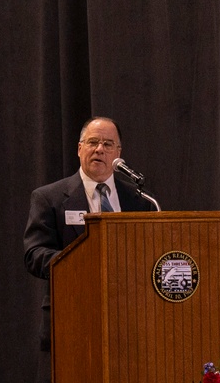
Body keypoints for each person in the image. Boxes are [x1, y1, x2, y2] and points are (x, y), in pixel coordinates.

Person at [23, 117, 154, 383]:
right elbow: (35, 254)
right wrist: (81, 262)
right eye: (93, 142)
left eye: (108, 144)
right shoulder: (49, 198)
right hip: (72, 320)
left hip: (129, 324)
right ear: (79, 148)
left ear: (118, 154)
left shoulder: (140, 202)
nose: (99, 150)